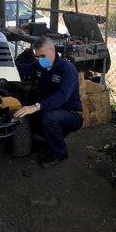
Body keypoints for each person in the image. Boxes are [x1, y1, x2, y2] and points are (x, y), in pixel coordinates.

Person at [14, 36, 83, 168]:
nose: (40, 60)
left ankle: (60, 153)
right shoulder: (40, 65)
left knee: (48, 118)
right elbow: (22, 69)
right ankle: (48, 137)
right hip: (49, 108)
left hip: (71, 113)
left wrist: (36, 106)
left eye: (42, 56)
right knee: (22, 113)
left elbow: (62, 96)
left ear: (52, 51)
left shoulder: (67, 69)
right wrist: (6, 63)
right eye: (37, 57)